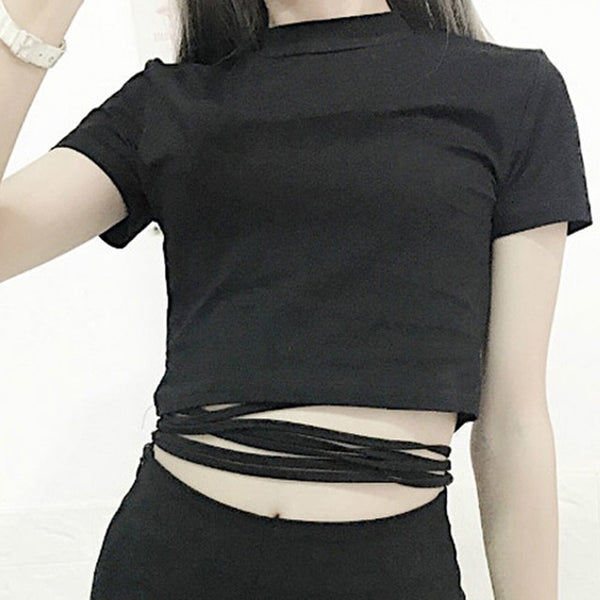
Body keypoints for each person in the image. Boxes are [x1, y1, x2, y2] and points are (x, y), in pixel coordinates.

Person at [0, 0, 593, 599]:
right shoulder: (172, 101)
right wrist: (37, 16)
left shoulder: (512, 93)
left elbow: (513, 421)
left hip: (389, 574)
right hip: (171, 562)